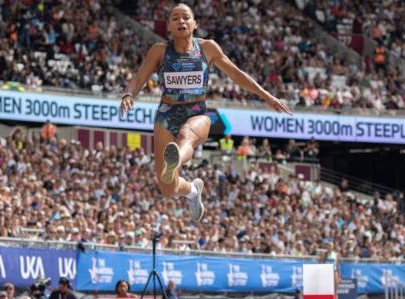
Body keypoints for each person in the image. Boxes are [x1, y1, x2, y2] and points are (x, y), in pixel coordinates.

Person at [120, 3, 291, 222]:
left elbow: (236, 74)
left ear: (194, 24)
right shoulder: (159, 50)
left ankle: (176, 160)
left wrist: (266, 95)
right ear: (168, 27)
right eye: (175, 18)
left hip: (197, 112)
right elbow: (139, 77)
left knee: (187, 136)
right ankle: (192, 190)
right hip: (166, 113)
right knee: (168, 188)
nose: (181, 21)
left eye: (186, 17)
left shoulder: (207, 48)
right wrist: (128, 95)